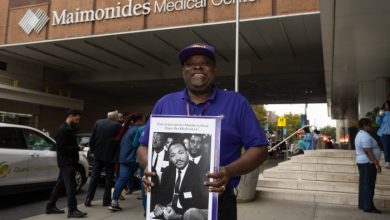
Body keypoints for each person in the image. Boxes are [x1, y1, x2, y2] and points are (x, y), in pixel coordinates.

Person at [137, 43, 269, 220]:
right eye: (190, 63)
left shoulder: (237, 103)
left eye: (205, 62)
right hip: (166, 202)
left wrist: (229, 172)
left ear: (214, 69)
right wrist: (150, 167)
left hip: (220, 201)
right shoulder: (165, 103)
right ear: (184, 71)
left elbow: (260, 149)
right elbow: (143, 147)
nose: (197, 66)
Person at [46, 109, 87, 218]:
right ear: (71, 116)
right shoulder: (63, 130)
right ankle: (72, 210)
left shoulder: (68, 129)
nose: (78, 121)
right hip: (66, 162)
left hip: (68, 161)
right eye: (77, 119)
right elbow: (60, 148)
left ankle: (50, 206)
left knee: (60, 184)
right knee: (71, 186)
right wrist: (77, 148)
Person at [151, 143, 208, 220]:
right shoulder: (167, 171)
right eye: (173, 155)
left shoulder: (199, 172)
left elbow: (200, 206)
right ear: (170, 158)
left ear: (187, 153)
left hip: (186, 214)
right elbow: (161, 195)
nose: (177, 158)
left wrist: (176, 216)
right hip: (168, 212)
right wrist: (158, 205)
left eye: (180, 153)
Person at [85, 110, 122, 207]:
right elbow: (118, 141)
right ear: (114, 117)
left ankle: (88, 198)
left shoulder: (98, 122)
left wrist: (93, 150)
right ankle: (106, 201)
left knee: (94, 177)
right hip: (110, 156)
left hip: (98, 155)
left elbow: (92, 138)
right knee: (109, 179)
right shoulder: (117, 125)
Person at [109, 112, 143, 211]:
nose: (142, 122)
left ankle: (114, 202)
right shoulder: (139, 130)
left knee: (121, 180)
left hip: (124, 159)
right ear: (139, 121)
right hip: (134, 160)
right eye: (141, 120)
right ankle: (148, 202)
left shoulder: (127, 130)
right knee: (144, 178)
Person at [355, 118, 382, 213]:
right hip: (368, 163)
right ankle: (368, 206)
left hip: (364, 162)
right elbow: (367, 151)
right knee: (368, 185)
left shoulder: (361, 134)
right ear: (364, 126)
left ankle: (363, 204)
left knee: (364, 184)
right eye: (370, 125)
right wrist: (376, 163)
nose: (371, 127)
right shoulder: (365, 137)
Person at [376, 100, 390, 169]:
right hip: (384, 133)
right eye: (385, 105)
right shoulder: (382, 113)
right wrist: (379, 116)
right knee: (386, 147)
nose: (386, 106)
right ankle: (387, 161)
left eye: (387, 105)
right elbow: (378, 123)